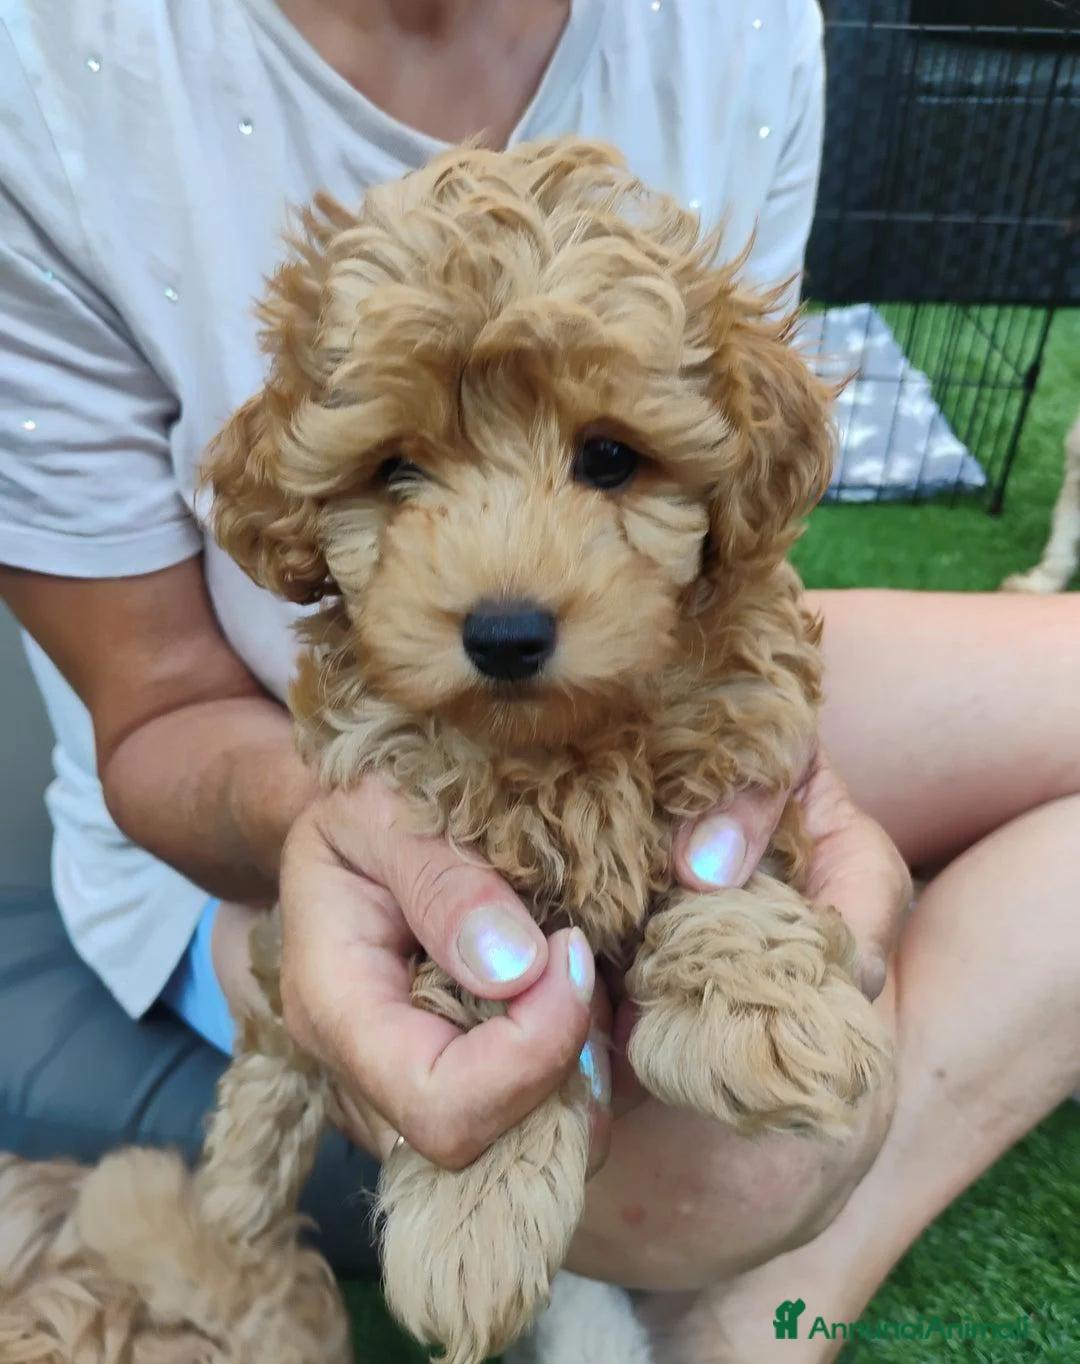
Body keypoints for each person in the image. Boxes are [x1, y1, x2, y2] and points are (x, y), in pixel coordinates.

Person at [0, 1, 1076, 1360]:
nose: (508, 577)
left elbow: (745, 556)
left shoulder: (746, 29)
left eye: (610, 460)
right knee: (746, 1171)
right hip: (293, 781)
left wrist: (767, 823)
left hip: (659, 695)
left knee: (791, 1067)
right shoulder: (49, 63)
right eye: (402, 469)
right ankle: (757, 1295)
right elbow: (150, 707)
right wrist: (362, 862)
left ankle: (784, 1284)